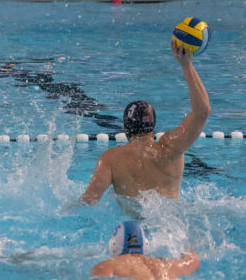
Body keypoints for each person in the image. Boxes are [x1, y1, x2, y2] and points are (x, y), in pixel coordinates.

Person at [80, 40, 211, 205]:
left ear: (126, 128)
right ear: (153, 126)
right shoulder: (171, 148)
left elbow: (89, 200)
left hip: (132, 228)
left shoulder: (111, 159)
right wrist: (186, 65)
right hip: (171, 225)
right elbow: (202, 111)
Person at [90, 221, 200, 280]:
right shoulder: (165, 265)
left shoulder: (107, 266)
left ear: (113, 245)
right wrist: (187, 246)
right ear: (145, 245)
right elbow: (193, 262)